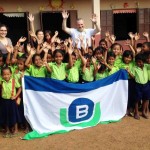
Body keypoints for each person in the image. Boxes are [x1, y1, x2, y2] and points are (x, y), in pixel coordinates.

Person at [0, 67, 21, 138]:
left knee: (13, 115)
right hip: (4, 101)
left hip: (12, 101)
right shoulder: (1, 82)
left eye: (8, 74)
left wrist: (15, 96)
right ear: (2, 76)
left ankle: (16, 129)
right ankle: (7, 130)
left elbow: (20, 88)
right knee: (5, 115)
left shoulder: (13, 81)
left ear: (11, 74)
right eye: (4, 74)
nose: (6, 76)